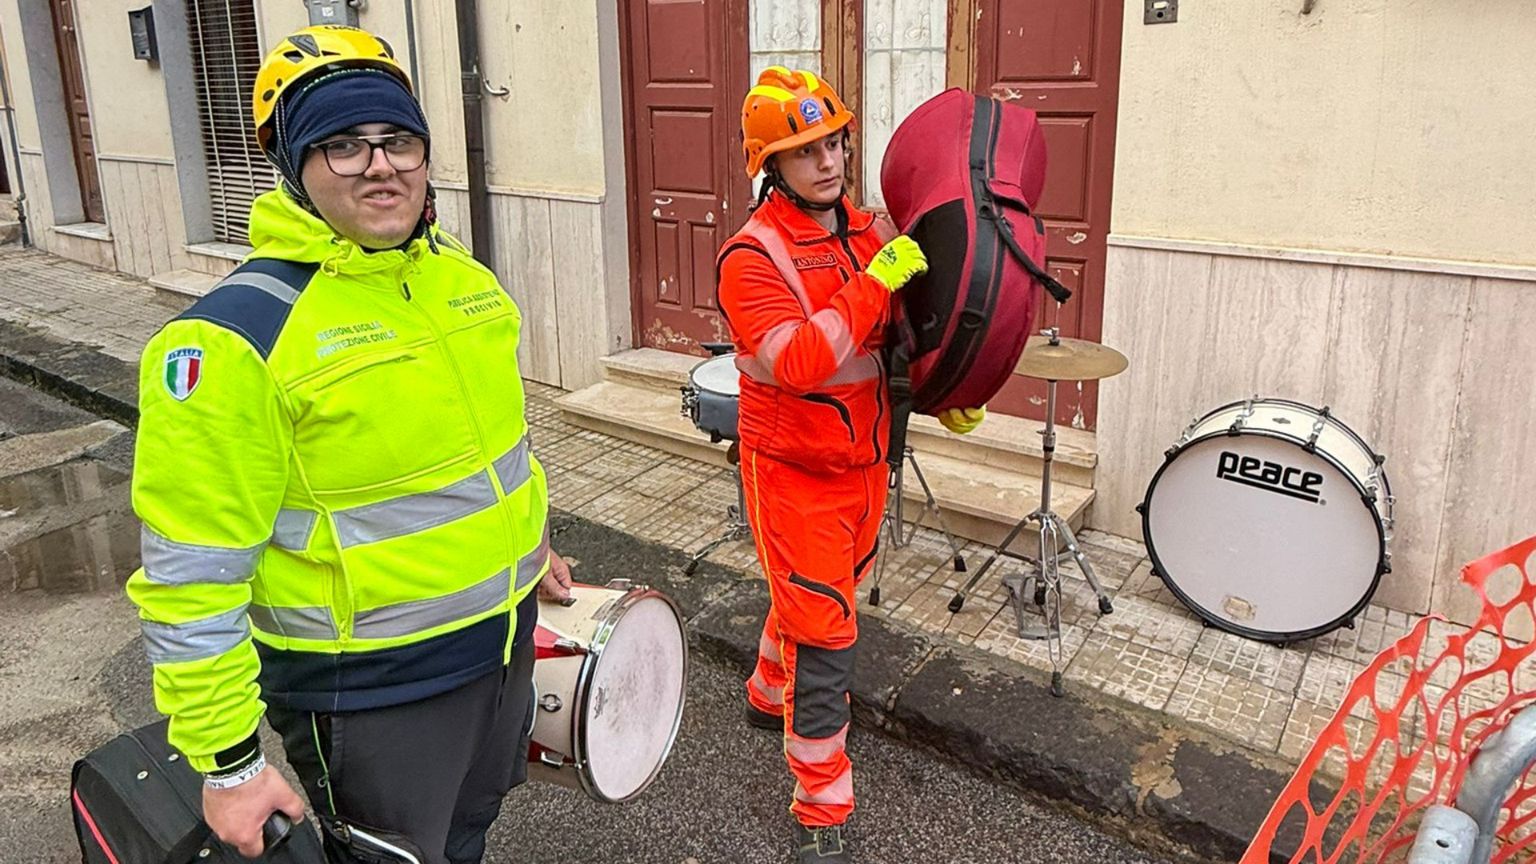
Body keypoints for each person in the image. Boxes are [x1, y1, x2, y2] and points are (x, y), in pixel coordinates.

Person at [125, 25, 571, 864]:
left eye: (397, 138)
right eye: (342, 144)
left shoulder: (462, 284)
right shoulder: (234, 340)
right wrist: (228, 765)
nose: (380, 164)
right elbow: (190, 579)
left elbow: (495, 453)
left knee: (468, 836)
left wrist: (534, 544)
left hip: (501, 645)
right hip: (370, 688)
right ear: (293, 166)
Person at [716, 67, 986, 864]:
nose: (830, 162)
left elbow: (903, 343)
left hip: (866, 464)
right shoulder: (750, 257)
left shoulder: (871, 234)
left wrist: (951, 389)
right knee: (827, 633)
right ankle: (821, 803)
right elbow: (800, 360)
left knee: (815, 599)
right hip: (792, 471)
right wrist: (871, 285)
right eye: (806, 151)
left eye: (835, 142)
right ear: (771, 165)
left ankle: (768, 691)